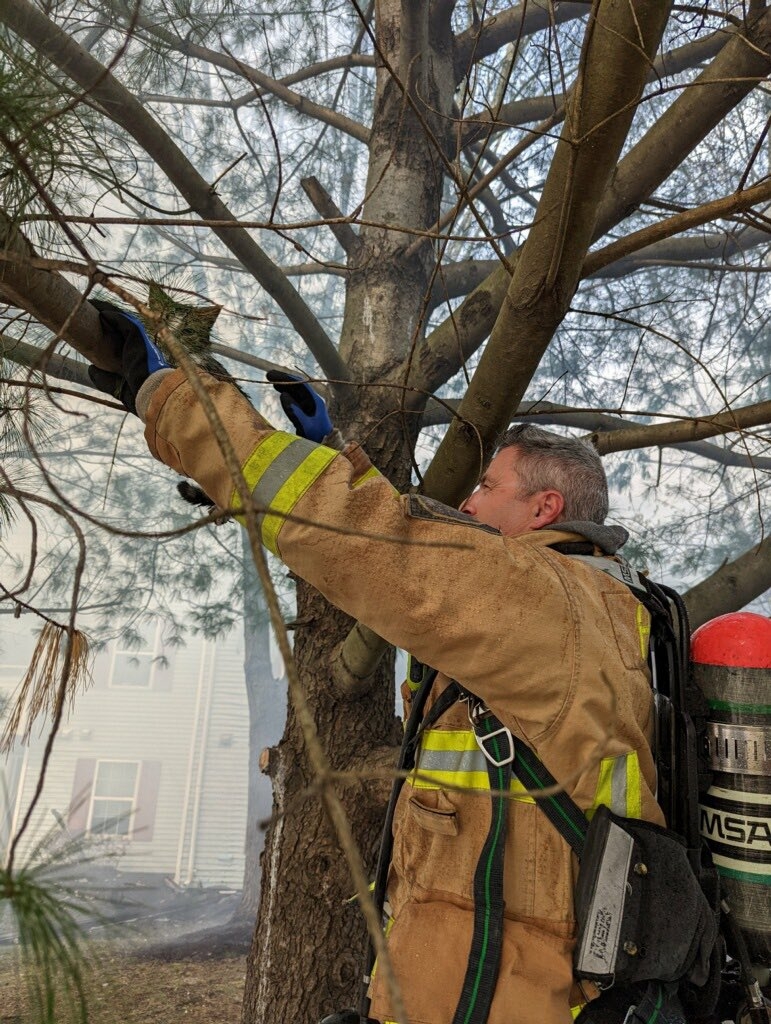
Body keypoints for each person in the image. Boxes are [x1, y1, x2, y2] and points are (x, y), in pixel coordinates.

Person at [89, 307, 663, 1024]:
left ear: (545, 508)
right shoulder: (593, 604)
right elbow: (417, 542)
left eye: (487, 486)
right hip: (492, 980)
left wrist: (175, 400)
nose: (465, 499)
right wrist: (328, 454)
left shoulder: (538, 597)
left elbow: (373, 540)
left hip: (508, 994)